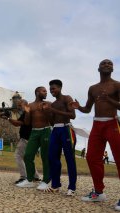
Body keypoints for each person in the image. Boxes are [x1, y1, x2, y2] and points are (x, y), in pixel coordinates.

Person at [70, 59, 120, 210]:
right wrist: (78, 107)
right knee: (91, 157)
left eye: (110, 64)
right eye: (104, 63)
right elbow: (87, 108)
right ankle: (98, 192)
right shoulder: (92, 88)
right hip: (97, 124)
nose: (107, 65)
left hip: (113, 123)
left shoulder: (117, 85)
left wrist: (110, 100)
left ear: (112, 68)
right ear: (98, 68)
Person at [41, 79, 77, 196]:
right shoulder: (53, 104)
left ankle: (72, 187)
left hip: (66, 129)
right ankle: (55, 185)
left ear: (60, 88)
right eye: (50, 89)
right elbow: (52, 122)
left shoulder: (67, 98)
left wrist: (52, 110)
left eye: (54, 88)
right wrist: (47, 112)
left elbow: (72, 115)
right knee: (52, 157)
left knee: (69, 158)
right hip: (55, 130)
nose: (52, 91)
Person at [16, 87, 52, 191]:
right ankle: (30, 180)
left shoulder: (48, 103)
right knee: (27, 155)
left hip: (46, 130)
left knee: (45, 156)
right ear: (37, 92)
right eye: (43, 91)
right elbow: (27, 123)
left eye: (46, 91)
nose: (46, 92)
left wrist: (47, 111)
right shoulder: (30, 105)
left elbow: (52, 120)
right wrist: (27, 112)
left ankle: (45, 181)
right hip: (34, 132)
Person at [0, 99, 41, 184]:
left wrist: (8, 118)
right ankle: (35, 176)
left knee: (18, 155)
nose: (18, 107)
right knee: (28, 158)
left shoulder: (27, 113)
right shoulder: (28, 112)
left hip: (26, 138)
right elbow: (18, 122)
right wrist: (9, 118)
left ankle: (24, 176)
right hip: (31, 138)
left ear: (25, 104)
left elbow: (18, 123)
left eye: (19, 105)